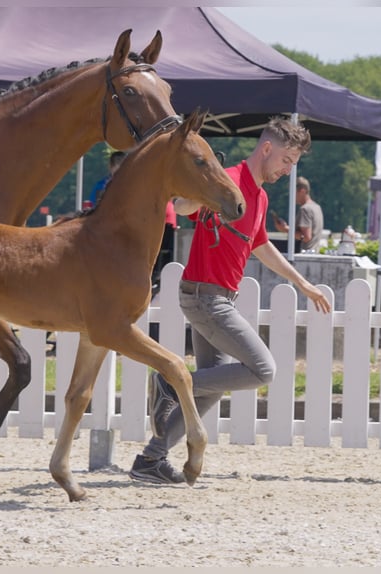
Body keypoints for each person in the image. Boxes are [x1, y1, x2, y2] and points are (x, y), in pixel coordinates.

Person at [129, 116, 332, 484]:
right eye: (286, 160)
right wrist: (190, 197)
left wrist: (303, 283)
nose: (288, 170)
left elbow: (261, 246)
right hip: (206, 298)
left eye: (293, 165)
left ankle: (150, 461)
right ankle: (171, 383)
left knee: (212, 388)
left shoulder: (259, 194)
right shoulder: (227, 181)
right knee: (262, 369)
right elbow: (186, 205)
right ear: (267, 148)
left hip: (215, 296)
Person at [272, 176, 324, 252]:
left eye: (293, 192)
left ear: (302, 191)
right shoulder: (317, 207)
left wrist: (285, 229)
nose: (291, 195)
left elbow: (306, 237)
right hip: (314, 253)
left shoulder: (305, 209)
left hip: (303, 255)